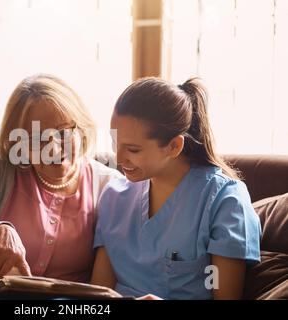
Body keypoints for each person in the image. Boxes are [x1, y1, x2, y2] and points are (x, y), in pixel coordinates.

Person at [0, 73, 122, 283]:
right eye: (38, 140)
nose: (54, 149)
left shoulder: (107, 184)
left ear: (81, 129)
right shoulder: (1, 169)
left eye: (64, 133)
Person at [90, 77, 261, 300]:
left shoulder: (226, 202)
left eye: (132, 149)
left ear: (174, 146)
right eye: (115, 144)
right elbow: (98, 295)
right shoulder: (113, 197)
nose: (119, 158)